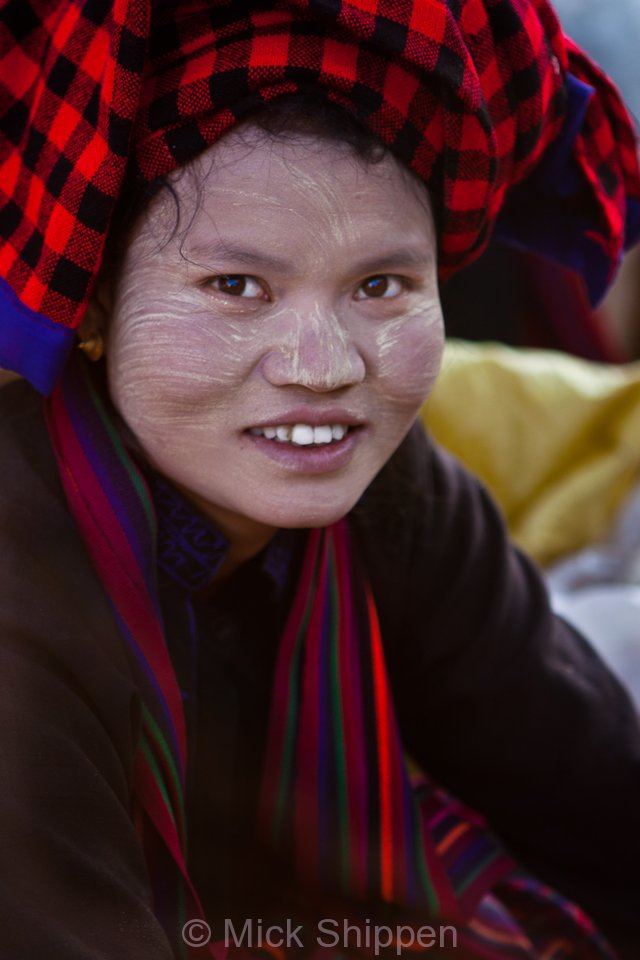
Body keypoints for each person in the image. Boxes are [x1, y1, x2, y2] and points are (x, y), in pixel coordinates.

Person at [0, 1, 639, 959]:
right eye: (237, 287)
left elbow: (592, 792)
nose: (326, 365)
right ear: (90, 306)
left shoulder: (393, 496)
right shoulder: (17, 596)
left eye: (380, 286)